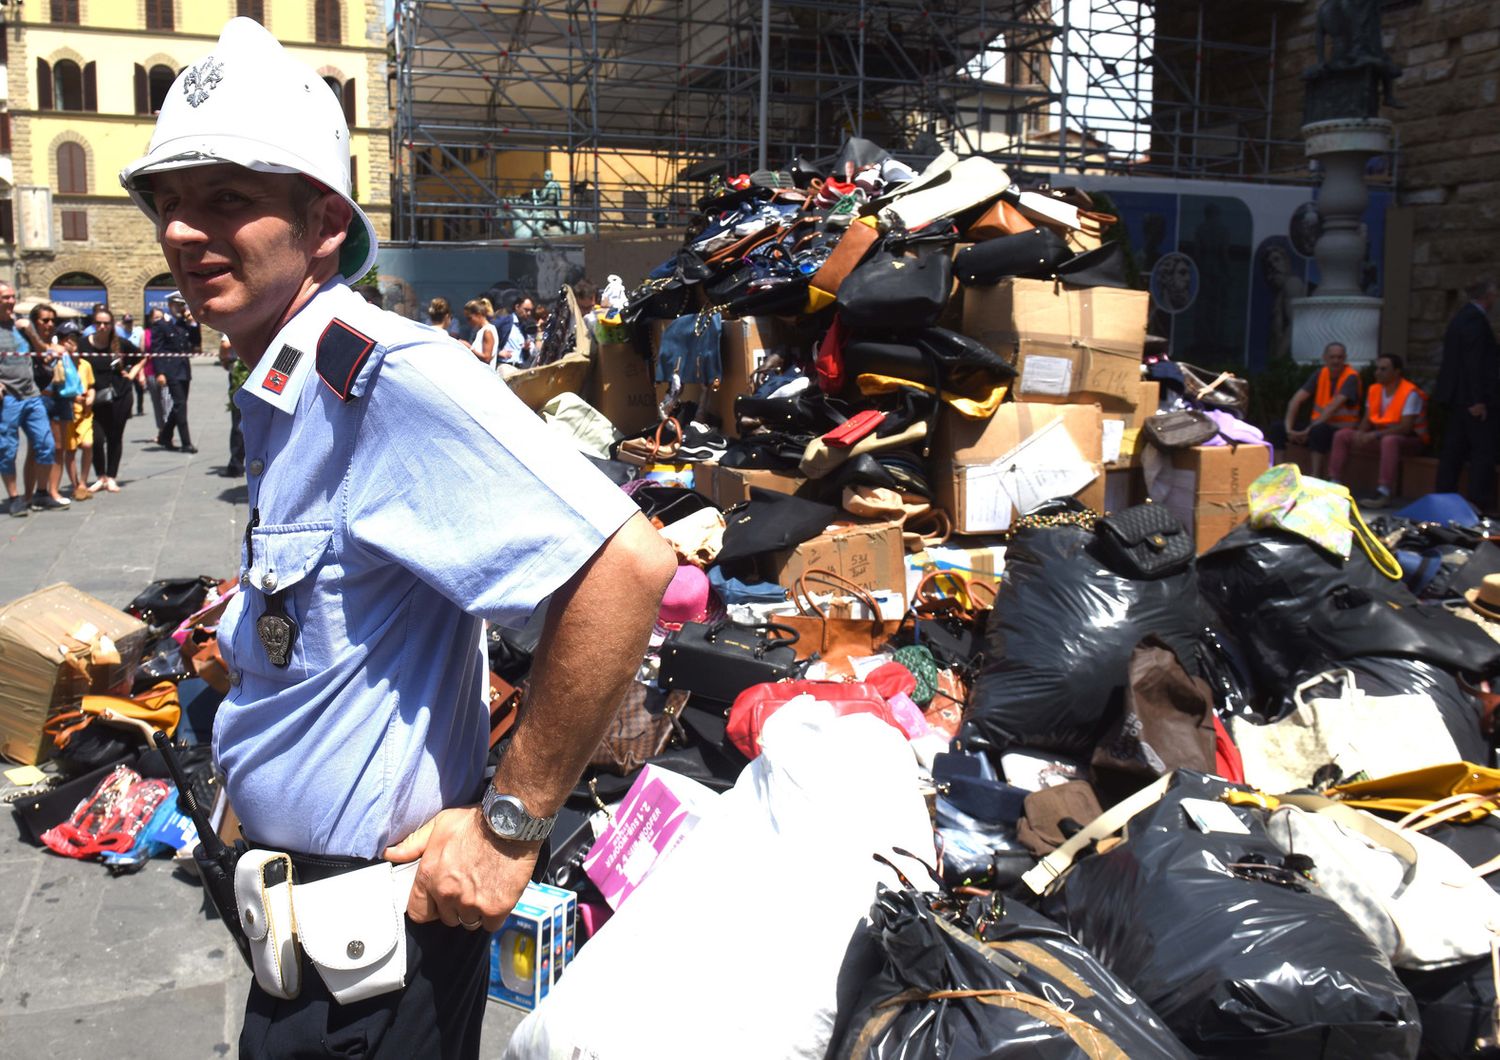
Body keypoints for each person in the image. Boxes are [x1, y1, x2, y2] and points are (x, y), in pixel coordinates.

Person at [120, 18, 675, 1056]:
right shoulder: (282, 383)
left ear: (323, 221)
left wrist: (512, 825)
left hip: (376, 970)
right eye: (170, 202)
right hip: (308, 947)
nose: (185, 232)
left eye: (228, 199)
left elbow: (628, 562)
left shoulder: (380, 373)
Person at [1328, 353, 1428, 508]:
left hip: (1409, 441)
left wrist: (1374, 434)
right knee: (1342, 435)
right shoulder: (1374, 389)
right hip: (1379, 438)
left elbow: (1405, 427)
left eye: (1384, 369)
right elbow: (1367, 419)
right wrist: (1360, 434)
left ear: (1396, 372)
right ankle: (1333, 483)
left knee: (1390, 441)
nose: (1377, 373)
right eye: (1377, 369)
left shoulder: (1410, 393)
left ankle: (1384, 492)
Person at [1435, 278, 1500, 512]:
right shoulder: (1474, 320)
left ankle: (1444, 498)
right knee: (1482, 450)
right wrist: (1477, 400)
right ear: (1487, 295)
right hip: (1470, 400)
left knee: (1454, 449)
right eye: (1494, 295)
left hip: (1458, 398)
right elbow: (1473, 363)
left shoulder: (1461, 317)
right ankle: (1478, 502)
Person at [1269, 341, 1361, 478]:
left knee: (1318, 431)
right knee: (1277, 427)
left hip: (1339, 429)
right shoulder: (1320, 374)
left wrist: (1308, 430)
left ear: (1345, 358)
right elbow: (1296, 400)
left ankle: (1315, 475)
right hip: (1317, 425)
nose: (1336, 361)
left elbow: (1332, 407)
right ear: (1325, 358)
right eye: (1332, 357)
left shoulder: (1351, 377)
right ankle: (1280, 474)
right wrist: (1289, 430)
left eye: (1340, 357)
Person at [0, 284, 53, 517]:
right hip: (8, 398)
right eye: (5, 297)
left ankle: (41, 492)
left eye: (12, 296)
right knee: (7, 449)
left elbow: (43, 352)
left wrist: (31, 332)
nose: (11, 301)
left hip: (32, 395)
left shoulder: (21, 325)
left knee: (46, 444)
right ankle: (14, 498)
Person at [81, 305, 143, 493]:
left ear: (111, 325)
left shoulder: (120, 343)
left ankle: (111, 477)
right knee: (96, 439)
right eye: (99, 323)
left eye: (106, 324)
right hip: (94, 398)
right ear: (94, 324)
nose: (102, 327)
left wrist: (132, 374)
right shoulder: (83, 344)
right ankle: (100, 476)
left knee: (115, 437)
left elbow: (142, 357)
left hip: (119, 396)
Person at [25, 303, 71, 510]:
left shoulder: (58, 345)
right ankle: (29, 494)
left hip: (61, 397)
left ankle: (52, 490)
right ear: (35, 322)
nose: (50, 324)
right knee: (36, 448)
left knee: (59, 448)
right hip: (39, 399)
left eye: (53, 320)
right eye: (45, 320)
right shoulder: (27, 345)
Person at [151, 292, 199, 452]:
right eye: (178, 305)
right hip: (170, 370)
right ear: (171, 305)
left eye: (182, 305)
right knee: (180, 404)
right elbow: (156, 351)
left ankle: (165, 436)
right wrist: (160, 372)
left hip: (184, 369)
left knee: (179, 405)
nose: (181, 309)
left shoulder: (183, 324)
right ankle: (186, 443)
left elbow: (195, 343)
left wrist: (193, 324)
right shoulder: (161, 325)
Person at [53, 321, 95, 501]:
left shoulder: (85, 364)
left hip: (85, 413)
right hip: (68, 413)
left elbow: (91, 385)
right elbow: (56, 388)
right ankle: (76, 483)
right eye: (69, 339)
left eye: (76, 339)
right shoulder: (60, 364)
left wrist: (91, 396)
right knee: (70, 450)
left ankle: (84, 481)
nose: (73, 343)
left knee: (87, 444)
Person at [219, 334, 248, 476]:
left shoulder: (238, 321)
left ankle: (236, 464)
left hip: (240, 373)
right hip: (260, 371)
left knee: (238, 418)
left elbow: (225, 344)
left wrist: (224, 360)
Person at [142, 307, 165, 423]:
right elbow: (142, 355)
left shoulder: (168, 331)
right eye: (156, 317)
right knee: (156, 402)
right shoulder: (146, 333)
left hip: (166, 371)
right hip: (151, 370)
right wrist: (141, 374)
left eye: (160, 317)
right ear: (150, 319)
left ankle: (168, 429)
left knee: (167, 401)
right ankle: (161, 429)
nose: (158, 320)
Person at [464, 298, 499, 366]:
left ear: (478, 314)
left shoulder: (487, 331)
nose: (468, 322)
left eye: (469, 318)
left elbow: (487, 358)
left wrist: (469, 348)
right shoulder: (481, 331)